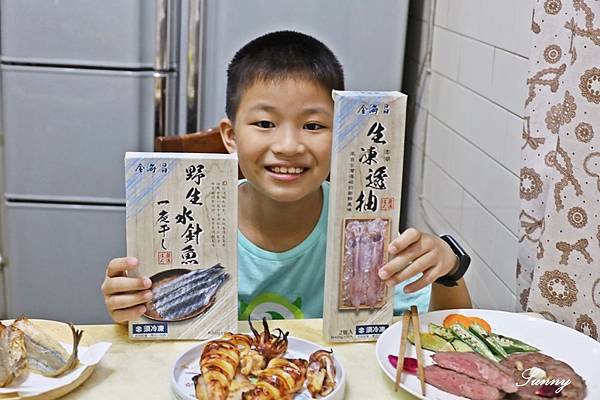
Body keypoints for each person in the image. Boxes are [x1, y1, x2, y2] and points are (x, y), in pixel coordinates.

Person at [101, 30, 471, 324]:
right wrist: (128, 309)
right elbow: (153, 330)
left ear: (341, 132)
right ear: (230, 137)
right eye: (265, 123)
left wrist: (449, 269)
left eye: (313, 125)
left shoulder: (363, 230)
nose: (289, 145)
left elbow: (452, 328)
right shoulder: (191, 224)